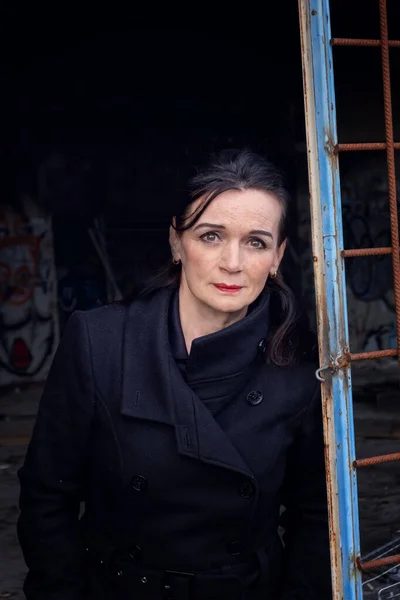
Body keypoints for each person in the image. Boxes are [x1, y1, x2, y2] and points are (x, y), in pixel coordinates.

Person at [17, 149, 332, 600]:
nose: (232, 263)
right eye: (210, 236)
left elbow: (317, 515)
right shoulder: (99, 342)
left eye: (256, 242)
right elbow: (48, 495)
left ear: (279, 256)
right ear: (176, 242)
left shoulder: (302, 365)